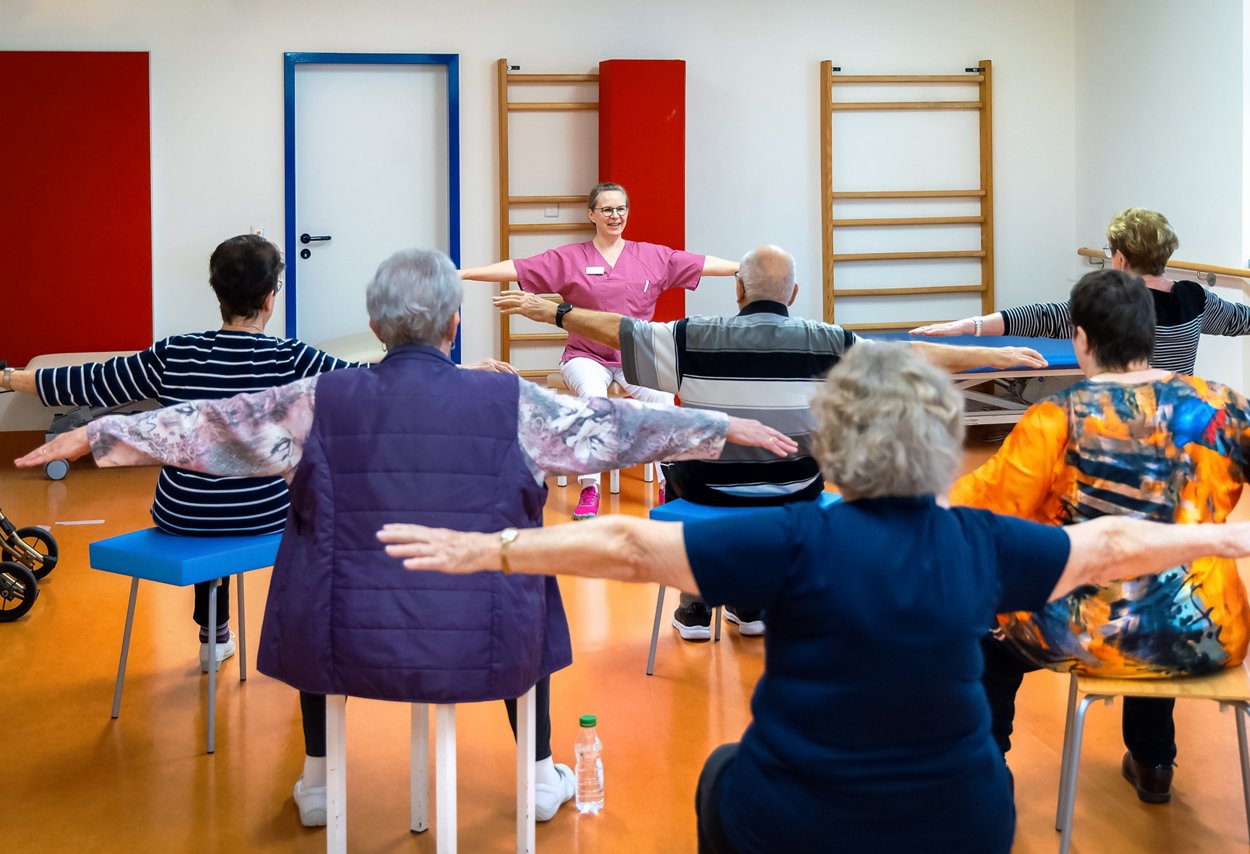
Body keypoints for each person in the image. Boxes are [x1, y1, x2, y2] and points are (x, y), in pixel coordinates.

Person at [373, 343, 1250, 854]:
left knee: (721, 772)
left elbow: (629, 545)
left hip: (798, 823)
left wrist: (489, 548)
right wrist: (1218, 538)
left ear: (832, 439)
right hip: (962, 826)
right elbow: (1111, 544)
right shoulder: (980, 544)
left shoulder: (794, 539)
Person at [17, 248, 797, 829]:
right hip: (485, 638)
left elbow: (209, 426)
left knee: (317, 553)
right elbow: (615, 426)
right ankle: (535, 775)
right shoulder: (511, 401)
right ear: (456, 323)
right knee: (520, 566)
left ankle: (322, 779)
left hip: (341, 639)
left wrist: (101, 434)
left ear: (376, 326)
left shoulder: (317, 397)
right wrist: (719, 425)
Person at [495, 243, 1048, 641]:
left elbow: (620, 331)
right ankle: (752, 600)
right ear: (795, 294)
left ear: (737, 289)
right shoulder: (830, 342)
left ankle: (695, 600)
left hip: (706, 494)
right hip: (795, 492)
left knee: (685, 453)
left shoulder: (693, 337)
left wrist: (560, 312)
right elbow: (908, 354)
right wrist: (993, 355)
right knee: (792, 463)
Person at [949, 268, 1250, 804]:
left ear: (1080, 337)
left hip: (1077, 630)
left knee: (989, 625)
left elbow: (975, 509)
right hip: (1206, 632)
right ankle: (1154, 762)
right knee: (1161, 594)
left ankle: (987, 769)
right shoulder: (1222, 408)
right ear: (1151, 334)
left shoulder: (1056, 419)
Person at [0, 234, 360, 669]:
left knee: (207, 498)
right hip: (264, 516)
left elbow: (88, 380)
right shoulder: (292, 357)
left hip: (183, 514)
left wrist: (9, 378)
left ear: (218, 294)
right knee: (304, 507)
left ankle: (213, 636)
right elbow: (375, 384)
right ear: (270, 298)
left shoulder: (177, 353)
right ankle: (297, 638)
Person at [460, 181, 740, 519]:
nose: (615, 215)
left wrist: (746, 268)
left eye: (621, 208)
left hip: (634, 356)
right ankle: (590, 488)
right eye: (606, 209)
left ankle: (670, 483)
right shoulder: (571, 258)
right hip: (584, 356)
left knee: (664, 401)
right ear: (591, 214)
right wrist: (463, 273)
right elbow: (519, 268)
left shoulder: (652, 257)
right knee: (594, 400)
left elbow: (702, 264)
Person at [911, 207, 1250, 375]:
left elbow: (1040, 318)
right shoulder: (1194, 298)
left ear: (1119, 258)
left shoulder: (1108, 302)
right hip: (1179, 419)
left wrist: (968, 326)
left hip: (1119, 419)